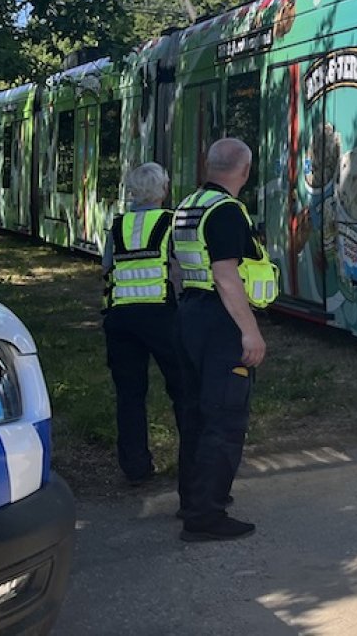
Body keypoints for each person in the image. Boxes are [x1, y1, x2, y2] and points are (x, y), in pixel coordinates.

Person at [174, 138, 272, 542]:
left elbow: (177, 268)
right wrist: (250, 331)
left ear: (208, 163)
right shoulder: (227, 211)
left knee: (195, 416)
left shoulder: (188, 206)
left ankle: (192, 500)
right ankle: (206, 516)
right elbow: (226, 276)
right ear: (245, 171)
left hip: (188, 317)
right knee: (225, 419)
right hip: (220, 321)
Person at [101, 162, 189, 493]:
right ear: (163, 189)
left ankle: (136, 467)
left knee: (130, 395)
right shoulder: (170, 222)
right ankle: (191, 463)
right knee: (182, 389)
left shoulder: (118, 225)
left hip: (121, 317)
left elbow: (107, 266)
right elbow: (183, 265)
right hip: (162, 317)